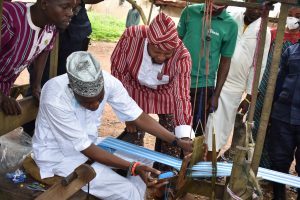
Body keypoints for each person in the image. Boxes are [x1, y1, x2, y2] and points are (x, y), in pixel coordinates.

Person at [32, 51, 193, 200]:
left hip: (92, 144)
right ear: (72, 89)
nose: (95, 105)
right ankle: (134, 195)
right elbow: (86, 148)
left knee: (144, 158)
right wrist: (133, 167)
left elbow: (137, 116)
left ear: (101, 82)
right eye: (87, 102)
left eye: (99, 98)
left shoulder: (108, 81)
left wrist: (176, 141)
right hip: (60, 157)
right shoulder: (55, 97)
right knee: (127, 190)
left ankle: (137, 195)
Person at [111, 12, 195, 168]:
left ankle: (164, 180)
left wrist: (185, 137)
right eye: (157, 52)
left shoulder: (182, 56)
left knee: (173, 140)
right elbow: (118, 75)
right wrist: (128, 114)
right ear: (149, 41)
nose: (162, 57)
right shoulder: (131, 38)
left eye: (167, 53)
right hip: (134, 90)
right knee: (134, 134)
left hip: (166, 93)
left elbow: (181, 97)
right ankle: (135, 170)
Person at [23, 0, 104, 136]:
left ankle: (60, 127)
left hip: (75, 32)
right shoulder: (37, 22)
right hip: (51, 17)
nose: (69, 12)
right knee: (42, 84)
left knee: (68, 83)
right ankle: (32, 130)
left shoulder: (70, 15)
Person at [205, 6, 271, 154]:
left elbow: (259, 66)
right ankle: (196, 162)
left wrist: (249, 96)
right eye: (254, 5)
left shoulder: (264, 31)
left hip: (235, 86)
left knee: (220, 128)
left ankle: (209, 165)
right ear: (247, 2)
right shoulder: (231, 17)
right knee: (204, 123)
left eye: (261, 9)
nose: (257, 10)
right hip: (214, 76)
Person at [177, 3, 238, 159]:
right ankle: (165, 169)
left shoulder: (230, 25)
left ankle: (187, 174)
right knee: (173, 127)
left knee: (196, 134)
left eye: (218, 5)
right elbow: (175, 43)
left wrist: (216, 95)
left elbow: (225, 61)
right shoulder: (189, 12)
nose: (213, 9)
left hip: (204, 86)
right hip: (178, 81)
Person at [0, 0, 75, 115]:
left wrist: (36, 86)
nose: (70, 13)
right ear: (44, 4)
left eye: (72, 8)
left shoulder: (51, 26)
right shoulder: (9, 16)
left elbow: (44, 50)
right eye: (65, 7)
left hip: (5, 84)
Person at [251, 6, 300, 168]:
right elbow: (262, 62)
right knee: (262, 126)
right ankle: (260, 166)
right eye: (289, 15)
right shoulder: (273, 34)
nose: (293, 19)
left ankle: (276, 173)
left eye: (297, 15)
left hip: (289, 97)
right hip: (269, 86)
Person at [268, 41, 300, 200]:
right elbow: (278, 82)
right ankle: (279, 196)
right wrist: (270, 110)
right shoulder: (291, 51)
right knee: (279, 159)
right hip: (283, 116)